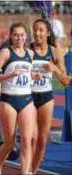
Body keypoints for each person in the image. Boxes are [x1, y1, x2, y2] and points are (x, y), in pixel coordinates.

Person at [0, 22, 42, 175]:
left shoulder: (30, 54)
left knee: (27, 140)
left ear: (26, 36)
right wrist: (11, 75)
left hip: (26, 100)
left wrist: (33, 75)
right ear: (11, 36)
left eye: (22, 35)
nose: (19, 38)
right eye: (16, 35)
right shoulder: (5, 53)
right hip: (9, 101)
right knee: (10, 143)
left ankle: (25, 172)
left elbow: (25, 73)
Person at [30, 18, 69, 174]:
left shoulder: (54, 52)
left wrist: (55, 68)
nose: (37, 33)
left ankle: (33, 170)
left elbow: (65, 81)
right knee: (30, 138)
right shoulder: (27, 49)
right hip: (27, 97)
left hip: (46, 98)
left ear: (47, 33)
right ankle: (26, 170)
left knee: (42, 141)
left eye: (41, 30)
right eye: (35, 30)